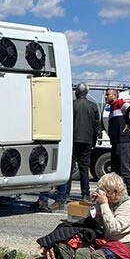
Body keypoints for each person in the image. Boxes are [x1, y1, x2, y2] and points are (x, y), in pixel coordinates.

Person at [35, 83, 100, 211]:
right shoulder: (93, 106)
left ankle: (66, 193)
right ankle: (85, 194)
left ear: (77, 92)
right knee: (84, 168)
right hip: (86, 140)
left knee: (69, 168)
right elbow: (96, 126)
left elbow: (65, 122)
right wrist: (93, 142)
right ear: (86, 93)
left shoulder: (72, 105)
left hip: (73, 140)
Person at [104, 89, 130, 198]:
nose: (105, 97)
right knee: (115, 170)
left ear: (115, 95)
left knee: (125, 168)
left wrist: (129, 123)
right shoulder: (112, 108)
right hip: (115, 142)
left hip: (124, 141)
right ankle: (117, 192)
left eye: (108, 94)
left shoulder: (120, 104)